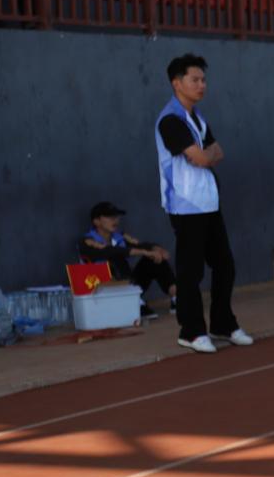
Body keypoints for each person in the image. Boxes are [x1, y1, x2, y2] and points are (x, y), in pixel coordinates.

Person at [155, 54, 253, 353]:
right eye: (195, 80)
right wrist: (204, 156)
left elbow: (216, 152)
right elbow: (201, 157)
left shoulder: (197, 118)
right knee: (191, 271)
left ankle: (223, 323)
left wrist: (205, 156)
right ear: (177, 83)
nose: (202, 85)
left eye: (203, 80)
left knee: (225, 265)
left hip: (208, 202)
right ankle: (191, 330)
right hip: (185, 205)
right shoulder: (170, 120)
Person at [79, 202, 177, 319]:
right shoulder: (87, 241)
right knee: (117, 258)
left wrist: (156, 249)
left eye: (116, 216)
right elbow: (111, 251)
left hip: (126, 286)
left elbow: (139, 245)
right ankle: (134, 302)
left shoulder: (118, 237)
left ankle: (176, 297)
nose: (115, 220)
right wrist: (145, 252)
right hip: (101, 293)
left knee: (154, 259)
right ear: (96, 221)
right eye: (109, 217)